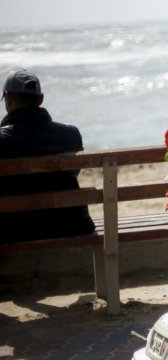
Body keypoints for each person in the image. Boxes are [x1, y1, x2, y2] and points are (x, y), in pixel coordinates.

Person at [0, 69, 95, 242]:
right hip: (71, 224)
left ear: (8, 100)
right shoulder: (70, 135)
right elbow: (72, 172)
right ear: (41, 99)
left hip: (12, 230)